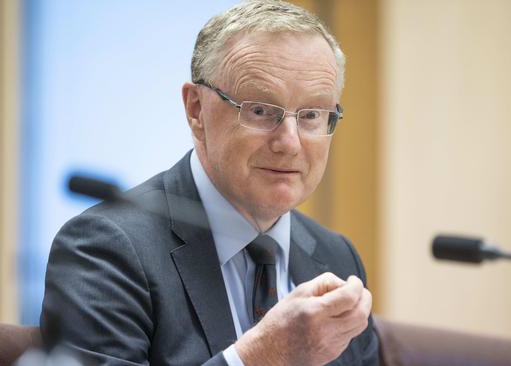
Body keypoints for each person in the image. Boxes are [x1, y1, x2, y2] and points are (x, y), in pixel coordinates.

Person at [41, 1, 379, 365]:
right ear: (196, 110)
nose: (290, 143)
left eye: (312, 115)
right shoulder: (106, 248)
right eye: (260, 110)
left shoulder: (336, 256)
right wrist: (259, 356)